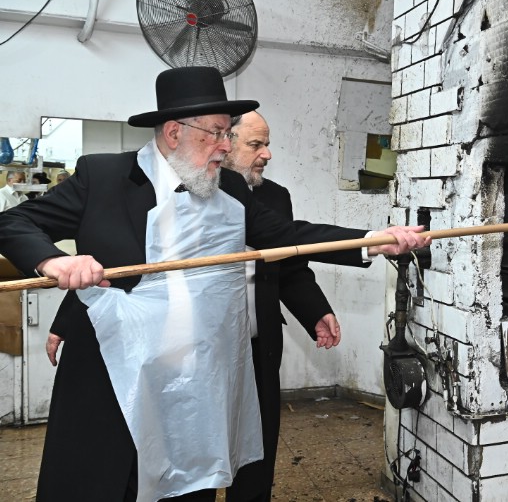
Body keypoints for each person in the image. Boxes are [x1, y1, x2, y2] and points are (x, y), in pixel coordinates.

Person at [0, 66, 429, 502]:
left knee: (188, 486)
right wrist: (54, 260)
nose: (226, 145)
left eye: (228, 133)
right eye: (217, 133)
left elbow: (286, 236)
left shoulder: (231, 190)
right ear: (174, 133)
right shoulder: (104, 177)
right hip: (113, 376)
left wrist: (370, 241)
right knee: (107, 482)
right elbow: (14, 222)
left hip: (194, 383)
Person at [223, 111, 341, 501]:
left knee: (257, 448)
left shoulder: (275, 196)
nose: (267, 154)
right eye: (255, 145)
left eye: (267, 144)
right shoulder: (192, 192)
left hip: (259, 346)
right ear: (224, 143)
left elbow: (289, 266)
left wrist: (316, 311)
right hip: (204, 349)